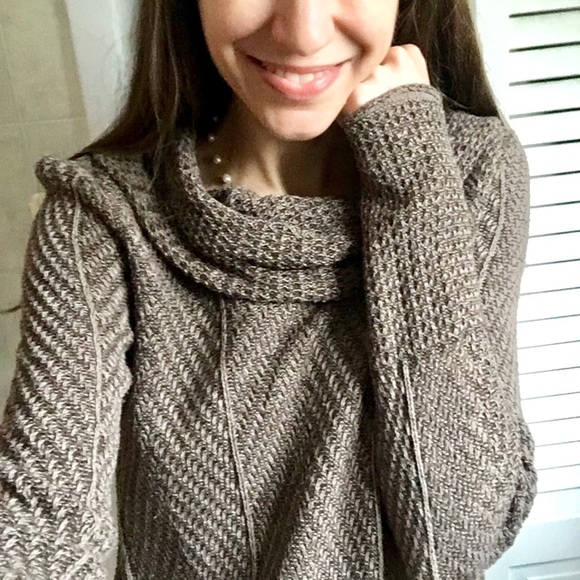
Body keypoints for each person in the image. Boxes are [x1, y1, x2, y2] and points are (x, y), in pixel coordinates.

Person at [0, 0, 538, 578]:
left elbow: (459, 542)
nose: (303, 34)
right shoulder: (100, 214)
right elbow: (41, 512)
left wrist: (411, 179)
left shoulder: (469, 170)